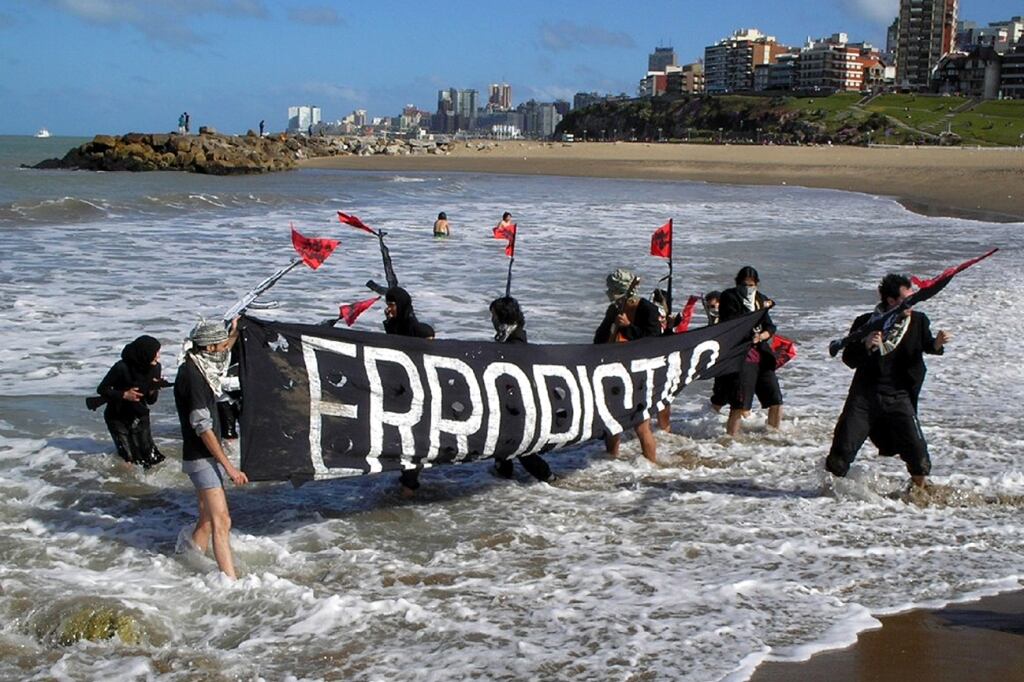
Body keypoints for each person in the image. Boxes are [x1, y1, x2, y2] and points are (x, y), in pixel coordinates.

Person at [825, 274, 951, 489]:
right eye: (907, 298)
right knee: (842, 451)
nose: (913, 301)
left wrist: (937, 344)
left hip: (899, 396)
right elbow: (848, 358)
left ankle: (919, 492)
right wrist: (865, 345)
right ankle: (828, 496)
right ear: (891, 301)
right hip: (865, 396)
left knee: (917, 453)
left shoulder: (919, 321)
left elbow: (927, 345)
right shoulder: (866, 323)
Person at [174, 319, 248, 579]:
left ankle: (186, 562)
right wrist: (229, 468)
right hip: (202, 457)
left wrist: (235, 330)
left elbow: (225, 351)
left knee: (206, 518)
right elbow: (202, 426)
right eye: (219, 346)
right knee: (222, 520)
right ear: (209, 347)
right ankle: (230, 582)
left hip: (201, 456)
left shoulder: (199, 364)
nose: (223, 350)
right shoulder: (195, 379)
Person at [593, 268, 660, 464]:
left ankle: (652, 466)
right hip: (614, 370)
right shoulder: (614, 309)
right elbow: (599, 338)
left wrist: (628, 326)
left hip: (639, 372)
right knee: (612, 422)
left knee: (641, 424)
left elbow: (654, 341)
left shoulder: (648, 309)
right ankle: (610, 460)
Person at [488, 296, 555, 482]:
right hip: (509, 401)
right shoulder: (507, 337)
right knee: (504, 445)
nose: (492, 321)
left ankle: (549, 478)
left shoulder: (516, 342)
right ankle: (504, 479)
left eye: (494, 316)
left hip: (518, 403)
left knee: (518, 447)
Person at [718, 267, 783, 436]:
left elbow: (770, 325)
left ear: (757, 284)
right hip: (741, 355)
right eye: (744, 284)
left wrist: (762, 336)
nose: (747, 288)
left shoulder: (760, 299)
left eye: (751, 285)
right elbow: (730, 322)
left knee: (775, 398)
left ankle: (773, 434)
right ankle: (731, 440)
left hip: (762, 354)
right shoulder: (729, 297)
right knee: (739, 403)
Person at [383, 287, 435, 496]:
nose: (388, 309)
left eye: (392, 304)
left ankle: (409, 488)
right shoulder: (396, 326)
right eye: (387, 304)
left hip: (420, 394)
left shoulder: (418, 330)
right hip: (402, 393)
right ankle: (408, 484)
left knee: (414, 441)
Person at [94, 335, 167, 468]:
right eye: (155, 353)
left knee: (150, 456)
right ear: (145, 354)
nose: (158, 356)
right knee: (128, 458)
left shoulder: (156, 368)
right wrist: (124, 395)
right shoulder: (121, 367)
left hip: (140, 414)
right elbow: (102, 389)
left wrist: (152, 389)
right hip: (117, 416)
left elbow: (151, 401)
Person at [703, 291, 730, 412]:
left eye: (713, 306)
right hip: (720, 363)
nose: (711, 310)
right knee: (719, 396)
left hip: (731, 362)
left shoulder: (730, 319)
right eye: (708, 307)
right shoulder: (713, 320)